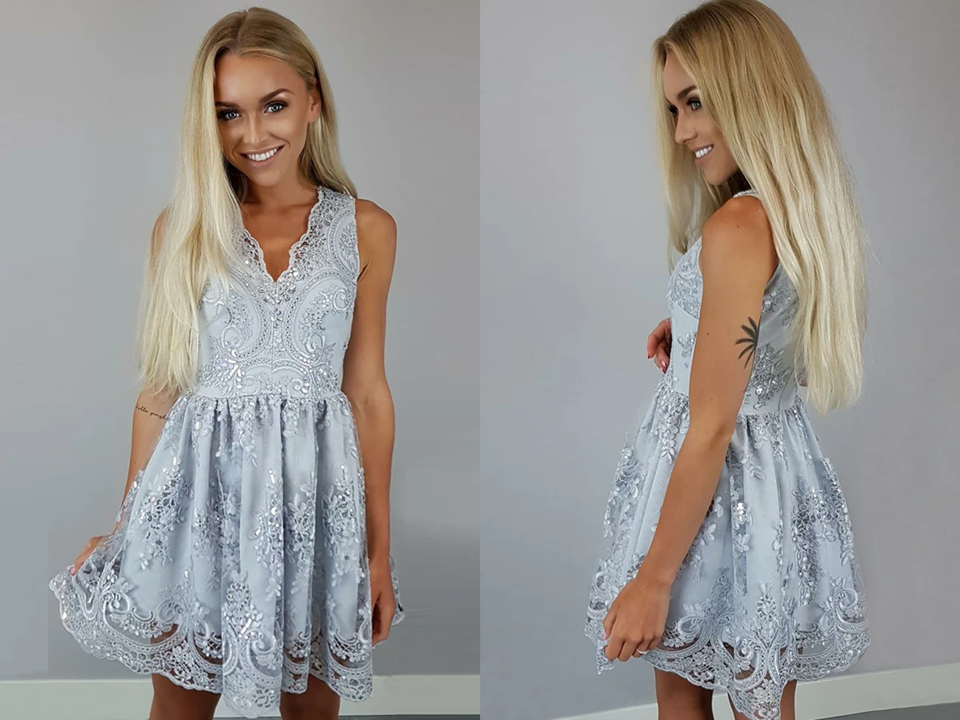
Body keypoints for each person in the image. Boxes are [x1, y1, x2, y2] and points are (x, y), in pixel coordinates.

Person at [48, 8, 403, 720]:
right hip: (196, 505)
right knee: (180, 702)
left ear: (313, 101)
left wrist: (377, 549)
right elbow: (161, 388)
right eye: (228, 113)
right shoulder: (183, 230)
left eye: (273, 105)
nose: (252, 134)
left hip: (313, 511)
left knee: (312, 705)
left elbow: (366, 391)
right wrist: (128, 524)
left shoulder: (365, 229)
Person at [583, 1, 870, 719]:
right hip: (769, 478)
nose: (681, 132)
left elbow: (712, 426)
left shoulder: (739, 224)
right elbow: (778, 334)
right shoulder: (790, 210)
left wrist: (653, 580)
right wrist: (692, 329)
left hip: (720, 487)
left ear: (752, 92)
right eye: (673, 109)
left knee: (692, 698)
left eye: (695, 102)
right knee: (756, 691)